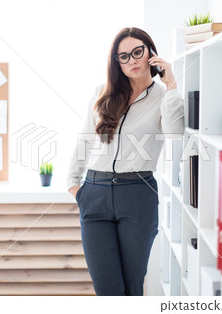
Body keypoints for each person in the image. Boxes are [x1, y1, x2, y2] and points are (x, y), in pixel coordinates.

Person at [66, 27, 184, 296]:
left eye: (137, 52)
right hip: (94, 194)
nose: (131, 60)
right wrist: (75, 187)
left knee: (132, 286)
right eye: (123, 56)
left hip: (137, 195)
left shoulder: (165, 96)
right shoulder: (102, 93)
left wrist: (172, 83)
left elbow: (175, 132)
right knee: (107, 288)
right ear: (116, 62)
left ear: (151, 54)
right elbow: (85, 139)